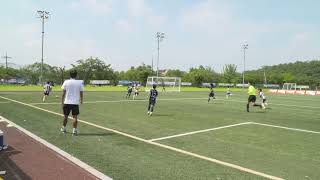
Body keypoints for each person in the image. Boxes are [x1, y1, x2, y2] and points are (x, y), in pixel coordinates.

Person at [60, 70, 84, 136]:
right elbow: (81, 92)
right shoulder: (79, 83)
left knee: (65, 116)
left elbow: (63, 93)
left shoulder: (66, 82)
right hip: (75, 102)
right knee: (75, 117)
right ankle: (74, 131)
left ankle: (64, 128)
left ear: (70, 75)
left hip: (67, 102)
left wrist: (62, 101)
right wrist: (81, 100)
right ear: (76, 75)